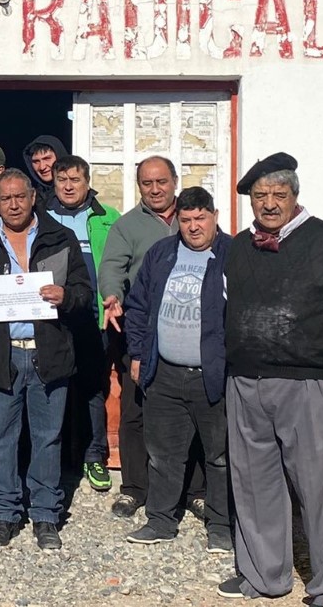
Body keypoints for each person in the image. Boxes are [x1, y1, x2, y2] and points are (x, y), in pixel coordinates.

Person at [218, 153, 323, 604]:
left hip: (311, 385)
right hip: (246, 382)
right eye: (261, 196)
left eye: (279, 195)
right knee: (255, 483)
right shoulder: (238, 247)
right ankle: (264, 576)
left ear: (295, 196)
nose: (270, 204)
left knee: (322, 489)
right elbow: (225, 307)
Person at [0, 168, 93, 550]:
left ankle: (46, 514)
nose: (13, 205)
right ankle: (4, 512)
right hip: (2, 357)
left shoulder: (60, 237)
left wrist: (66, 296)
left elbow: (84, 291)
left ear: (34, 197)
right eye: (5, 199)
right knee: (1, 438)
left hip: (49, 352)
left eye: (20, 197)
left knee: (48, 438)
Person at [122, 186, 233, 554]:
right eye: (186, 220)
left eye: (200, 218)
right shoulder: (162, 253)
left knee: (220, 456)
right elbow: (137, 306)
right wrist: (138, 354)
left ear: (215, 216)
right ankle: (160, 519)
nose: (193, 226)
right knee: (163, 453)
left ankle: (221, 525)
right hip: (164, 372)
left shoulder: (232, 255)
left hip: (213, 375)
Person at [97, 155, 179, 518]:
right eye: (147, 183)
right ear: (139, 186)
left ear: (174, 181)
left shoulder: (193, 218)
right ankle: (133, 487)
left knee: (188, 411)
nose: (155, 189)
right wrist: (111, 296)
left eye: (161, 181)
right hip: (142, 330)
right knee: (134, 409)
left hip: (188, 329)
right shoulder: (128, 226)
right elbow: (112, 266)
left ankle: (192, 489)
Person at [45, 154, 119, 492]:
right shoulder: (41, 218)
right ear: (54, 183)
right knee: (52, 389)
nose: (69, 186)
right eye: (63, 180)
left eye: (75, 180)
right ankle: (54, 460)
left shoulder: (108, 219)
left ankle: (94, 455)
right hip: (53, 321)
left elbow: (121, 267)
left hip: (94, 319)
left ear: (87, 182)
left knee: (92, 389)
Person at [23, 135, 69, 204]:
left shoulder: (77, 193)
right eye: (36, 161)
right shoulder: (33, 200)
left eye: (47, 159)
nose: (42, 167)